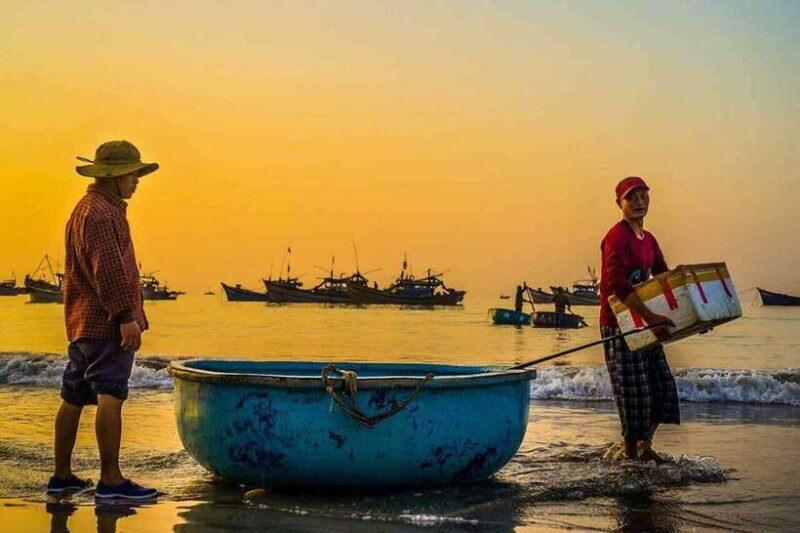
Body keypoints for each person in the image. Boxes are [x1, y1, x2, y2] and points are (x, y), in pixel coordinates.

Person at [48, 140, 160, 499]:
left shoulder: (88, 208)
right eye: (132, 174)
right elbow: (108, 271)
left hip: (82, 321)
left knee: (74, 396)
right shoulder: (101, 213)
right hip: (104, 323)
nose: (137, 181)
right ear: (114, 177)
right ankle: (111, 481)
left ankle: (62, 476)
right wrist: (126, 317)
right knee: (111, 394)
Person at [599, 176, 679, 462]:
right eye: (631, 197)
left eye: (643, 195)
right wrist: (651, 317)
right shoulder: (617, 237)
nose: (638, 202)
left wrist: (694, 319)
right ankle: (631, 455)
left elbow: (663, 278)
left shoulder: (650, 240)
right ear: (619, 203)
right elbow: (617, 286)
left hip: (646, 320)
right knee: (634, 395)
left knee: (663, 388)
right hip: (619, 323)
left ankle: (646, 446)